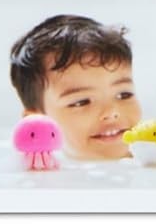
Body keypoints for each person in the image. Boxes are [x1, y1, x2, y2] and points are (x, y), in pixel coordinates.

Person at [10, 14, 142, 162]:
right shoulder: (37, 172)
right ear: (36, 122)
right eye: (81, 102)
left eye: (124, 94)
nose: (112, 113)